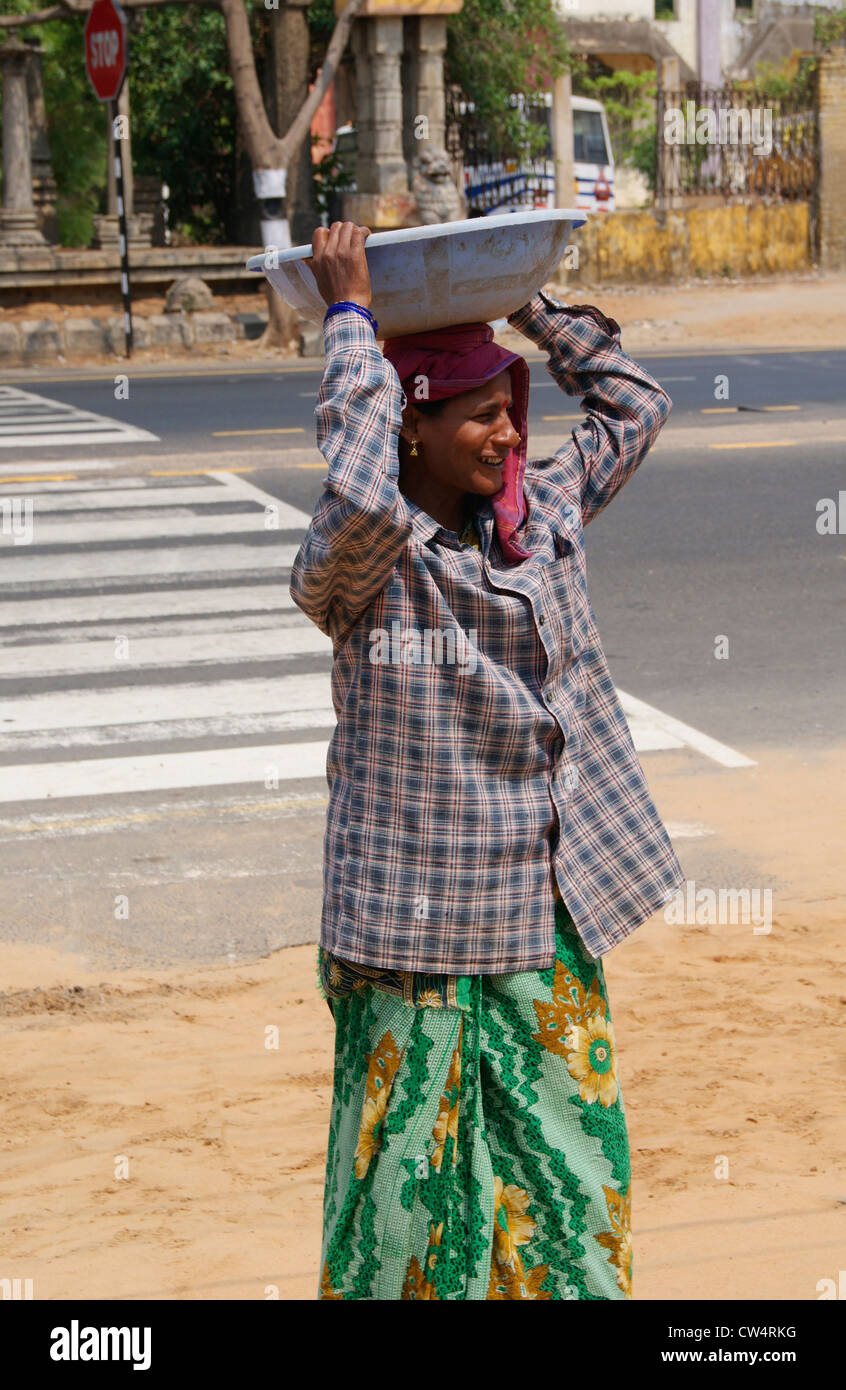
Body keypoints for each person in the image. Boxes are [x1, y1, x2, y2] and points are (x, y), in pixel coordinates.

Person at [293, 220, 685, 1301]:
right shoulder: (359, 565)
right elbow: (366, 492)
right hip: (412, 933)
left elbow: (634, 407)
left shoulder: (540, 522)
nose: (511, 437)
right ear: (409, 426)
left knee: (570, 1188)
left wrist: (529, 298)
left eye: (513, 412)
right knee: (406, 1210)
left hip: (542, 921)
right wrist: (353, 325)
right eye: (481, 417)